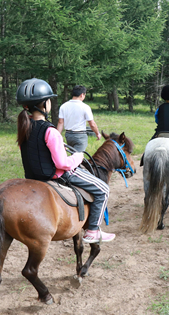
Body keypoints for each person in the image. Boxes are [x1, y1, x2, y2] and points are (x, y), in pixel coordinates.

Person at [16, 78, 114, 243]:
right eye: (49, 100)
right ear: (44, 104)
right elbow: (62, 164)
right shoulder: (50, 130)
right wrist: (78, 156)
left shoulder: (25, 127)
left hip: (33, 176)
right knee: (103, 189)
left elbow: (33, 150)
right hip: (57, 175)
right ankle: (93, 231)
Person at [57, 85, 100, 153]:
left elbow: (60, 122)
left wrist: (58, 136)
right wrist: (97, 133)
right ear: (82, 95)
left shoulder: (63, 106)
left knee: (73, 157)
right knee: (78, 158)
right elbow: (92, 124)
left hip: (68, 135)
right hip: (80, 136)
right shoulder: (85, 107)